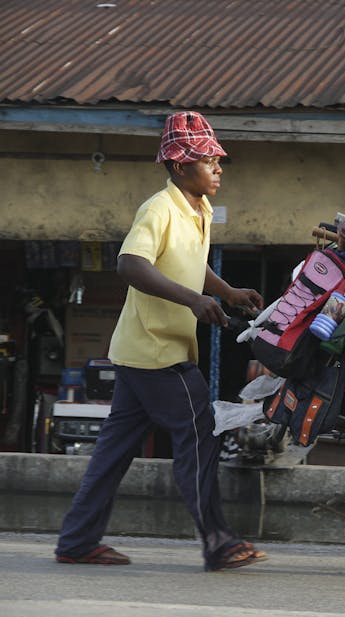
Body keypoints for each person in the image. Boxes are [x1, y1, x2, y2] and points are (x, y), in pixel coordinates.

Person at [55, 111, 267, 571]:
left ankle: (76, 540)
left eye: (217, 159)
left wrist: (225, 291)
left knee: (113, 452)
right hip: (157, 352)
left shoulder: (199, 208)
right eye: (207, 160)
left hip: (141, 351)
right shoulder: (159, 208)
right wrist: (193, 301)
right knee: (200, 436)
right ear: (178, 166)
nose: (218, 167)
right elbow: (130, 265)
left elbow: (190, 260)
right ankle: (219, 542)